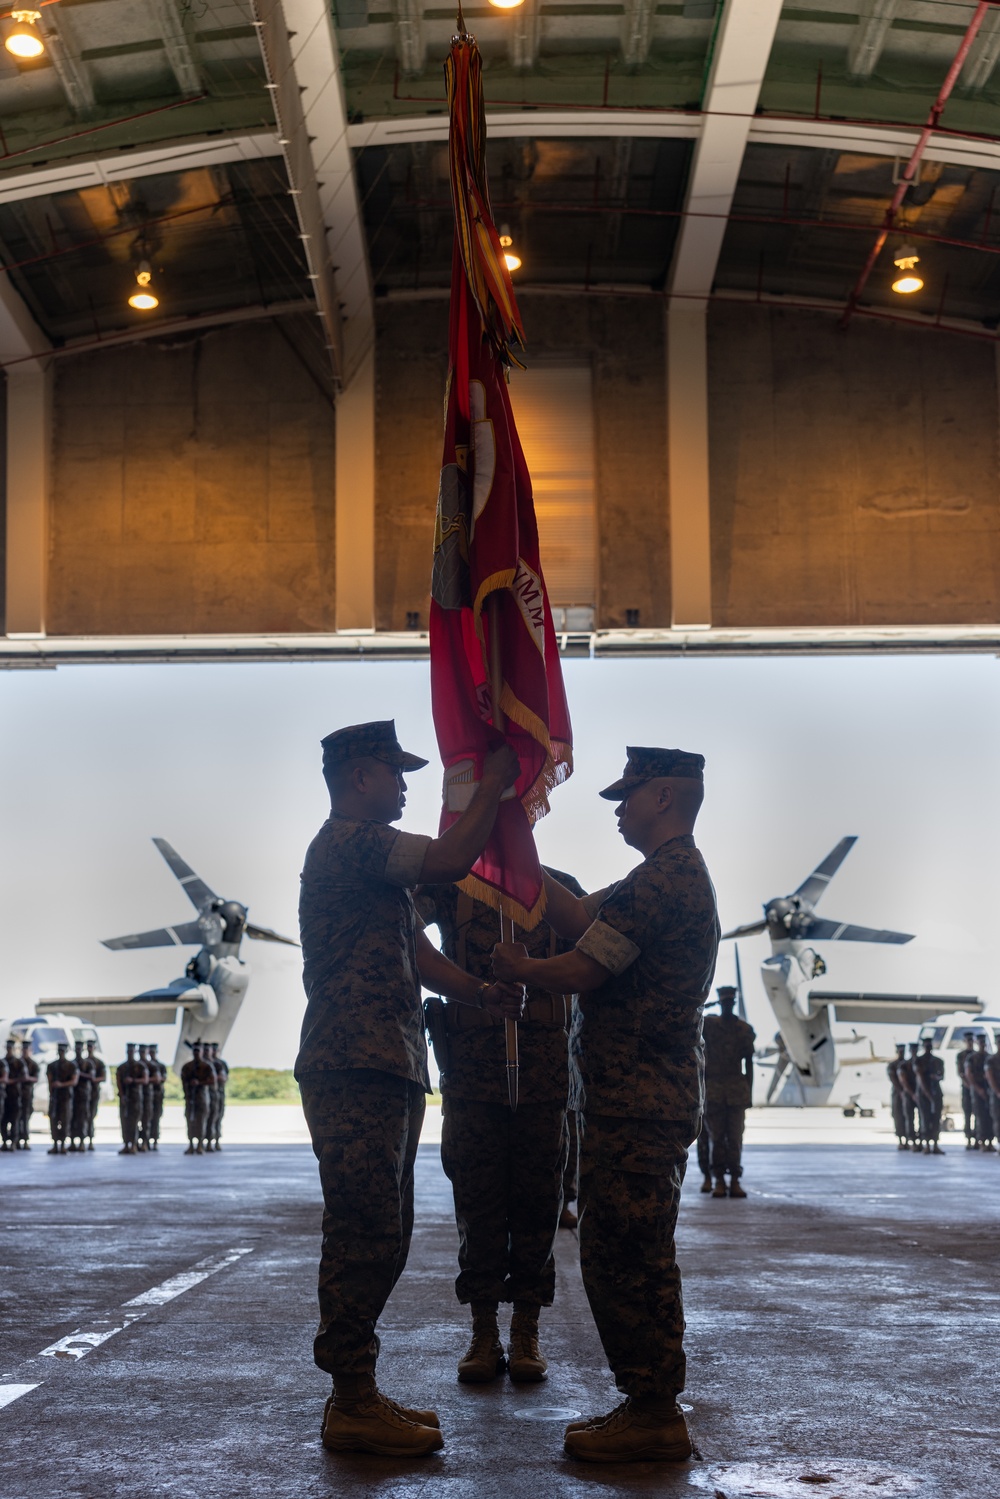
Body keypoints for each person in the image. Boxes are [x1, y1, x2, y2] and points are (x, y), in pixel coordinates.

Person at [296, 720, 522, 1459]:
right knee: (362, 1228)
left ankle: (359, 1390)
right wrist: (494, 780)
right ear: (360, 776)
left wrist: (479, 992)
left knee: (385, 1235)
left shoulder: (375, 868)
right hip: (353, 1064)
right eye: (396, 773)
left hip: (387, 1063)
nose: (405, 785)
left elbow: (417, 954)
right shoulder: (350, 841)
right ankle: (349, 1399)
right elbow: (455, 856)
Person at [494, 745, 719, 1464]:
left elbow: (585, 963)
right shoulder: (659, 877)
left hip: (639, 1101)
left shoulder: (666, 880)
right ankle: (647, 1401)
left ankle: (653, 1409)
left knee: (628, 1253)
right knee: (627, 1248)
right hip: (635, 1099)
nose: (618, 809)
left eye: (627, 796)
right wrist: (510, 831)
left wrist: (523, 970)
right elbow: (578, 913)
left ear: (662, 798)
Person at [415, 866, 585, 1387]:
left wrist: (534, 970)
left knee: (539, 1203)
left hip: (543, 1075)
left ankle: (526, 1328)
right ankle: (484, 1330)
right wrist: (469, 986)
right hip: (471, 1073)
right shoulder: (451, 887)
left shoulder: (560, 888)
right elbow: (403, 929)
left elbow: (592, 952)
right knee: (478, 1201)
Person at [703, 985, 755, 1198]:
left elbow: (749, 1063)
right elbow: (693, 1012)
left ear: (733, 1003)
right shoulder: (709, 1025)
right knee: (716, 1139)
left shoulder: (744, 1030)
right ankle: (719, 1181)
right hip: (713, 1091)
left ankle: (734, 1180)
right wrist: (711, 1005)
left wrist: (749, 1093)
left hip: (736, 1091)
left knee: (734, 1139)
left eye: (729, 1002)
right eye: (723, 1002)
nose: (726, 1006)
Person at [913, 1037, 945, 1155]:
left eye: (929, 1046)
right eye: (926, 1046)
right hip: (923, 1094)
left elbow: (941, 1075)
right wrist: (928, 1094)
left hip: (936, 1092)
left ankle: (935, 1145)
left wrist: (935, 1077)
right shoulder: (918, 1061)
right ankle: (926, 1145)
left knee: (936, 1119)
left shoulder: (938, 1061)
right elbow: (920, 1078)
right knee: (925, 1119)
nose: (928, 1048)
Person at [181, 1042, 214, 1154]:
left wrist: (199, 1082)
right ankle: (191, 1144)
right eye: (194, 1051)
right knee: (190, 1121)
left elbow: (212, 1081)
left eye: (198, 1051)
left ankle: (200, 1144)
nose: (196, 1053)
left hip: (202, 1098)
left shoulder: (207, 1066)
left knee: (201, 1121)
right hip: (190, 1099)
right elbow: (184, 1082)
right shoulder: (187, 1067)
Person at [47, 1042, 79, 1154]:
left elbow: (74, 1081)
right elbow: (49, 1081)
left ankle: (63, 1144)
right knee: (54, 1120)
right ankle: (55, 1144)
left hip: (66, 1097)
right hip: (55, 1097)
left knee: (65, 1121)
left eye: (63, 1051)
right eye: (59, 1051)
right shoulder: (52, 1066)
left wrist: (61, 1084)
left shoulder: (71, 1065)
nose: (61, 1053)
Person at [116, 1043, 148, 1155]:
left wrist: (133, 1081)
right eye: (128, 1051)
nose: (130, 1053)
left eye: (132, 1051)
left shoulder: (140, 1066)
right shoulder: (122, 1067)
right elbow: (118, 1081)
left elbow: (145, 1080)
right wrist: (122, 1095)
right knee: (125, 1122)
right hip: (125, 1098)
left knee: (135, 1122)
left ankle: (134, 1144)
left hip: (136, 1098)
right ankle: (126, 1144)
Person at [964, 1035, 994, 1151]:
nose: (982, 1045)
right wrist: (977, 1088)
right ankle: (978, 1140)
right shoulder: (971, 1058)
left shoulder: (989, 1057)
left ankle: (989, 1141)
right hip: (976, 1090)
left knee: (989, 1116)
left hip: (988, 1089)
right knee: (978, 1115)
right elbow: (968, 1074)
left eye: (983, 1043)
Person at [69, 1040, 93, 1153]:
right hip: (72, 1095)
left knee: (83, 1118)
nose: (78, 1051)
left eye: (80, 1049)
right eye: (76, 1048)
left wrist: (79, 1074)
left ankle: (83, 1142)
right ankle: (73, 1142)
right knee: (72, 1118)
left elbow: (92, 1077)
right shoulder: (71, 1063)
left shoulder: (87, 1063)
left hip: (84, 1095)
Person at [955, 1031, 978, 1149]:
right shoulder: (961, 1056)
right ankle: (969, 1138)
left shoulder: (977, 1055)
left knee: (978, 1114)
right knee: (968, 1114)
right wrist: (968, 1084)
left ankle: (978, 1139)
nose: (970, 1043)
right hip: (967, 1089)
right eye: (968, 1041)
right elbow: (960, 1072)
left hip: (977, 1089)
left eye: (971, 1041)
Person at [898, 1042, 920, 1149]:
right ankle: (911, 1141)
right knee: (909, 1118)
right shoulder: (904, 1065)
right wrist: (912, 1094)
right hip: (909, 1094)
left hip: (920, 1094)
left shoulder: (920, 1063)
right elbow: (903, 1082)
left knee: (922, 1118)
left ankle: (920, 1141)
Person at [1, 1038, 22, 1151]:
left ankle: (14, 1142)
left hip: (15, 1095)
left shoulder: (19, 1063)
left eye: (11, 1048)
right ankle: (4, 1141)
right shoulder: (2, 1062)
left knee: (14, 1120)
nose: (9, 1050)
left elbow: (24, 1077)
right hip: (4, 1096)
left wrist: (10, 1081)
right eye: (8, 1048)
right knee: (3, 1120)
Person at [887, 1043, 908, 1149]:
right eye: (900, 1051)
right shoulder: (893, 1065)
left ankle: (909, 1139)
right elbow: (893, 1079)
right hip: (897, 1093)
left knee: (908, 1117)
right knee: (898, 1116)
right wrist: (901, 1091)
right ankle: (901, 1140)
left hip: (907, 1093)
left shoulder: (907, 1064)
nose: (901, 1053)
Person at [19, 1038, 39, 1148]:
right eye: (23, 1049)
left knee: (25, 1117)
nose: (25, 1051)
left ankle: (25, 1140)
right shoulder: (17, 1062)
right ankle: (15, 1140)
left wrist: (27, 1078)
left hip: (27, 1094)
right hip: (16, 1095)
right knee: (16, 1118)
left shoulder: (33, 1064)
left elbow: (36, 1078)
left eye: (27, 1049)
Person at [146, 1043, 166, 1150]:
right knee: (146, 1118)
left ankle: (155, 1140)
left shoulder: (160, 1066)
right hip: (146, 1096)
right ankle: (146, 1140)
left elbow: (161, 1079)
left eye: (153, 1052)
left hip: (157, 1096)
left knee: (156, 1119)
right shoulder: (145, 1065)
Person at [86, 1041, 106, 1150]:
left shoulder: (98, 1063)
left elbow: (103, 1077)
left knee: (91, 1117)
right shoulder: (83, 1062)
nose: (89, 1048)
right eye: (88, 1046)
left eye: (91, 1046)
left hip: (93, 1093)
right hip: (81, 1095)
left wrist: (93, 1079)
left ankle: (90, 1140)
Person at [209, 1044, 228, 1149]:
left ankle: (216, 1140)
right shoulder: (204, 1064)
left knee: (217, 1117)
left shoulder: (220, 1064)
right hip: (206, 1094)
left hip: (217, 1094)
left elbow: (223, 1077)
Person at [984, 1044, 1000, 1149]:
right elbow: (989, 1076)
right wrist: (997, 1092)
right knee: (997, 1119)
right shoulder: (991, 1059)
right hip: (996, 1094)